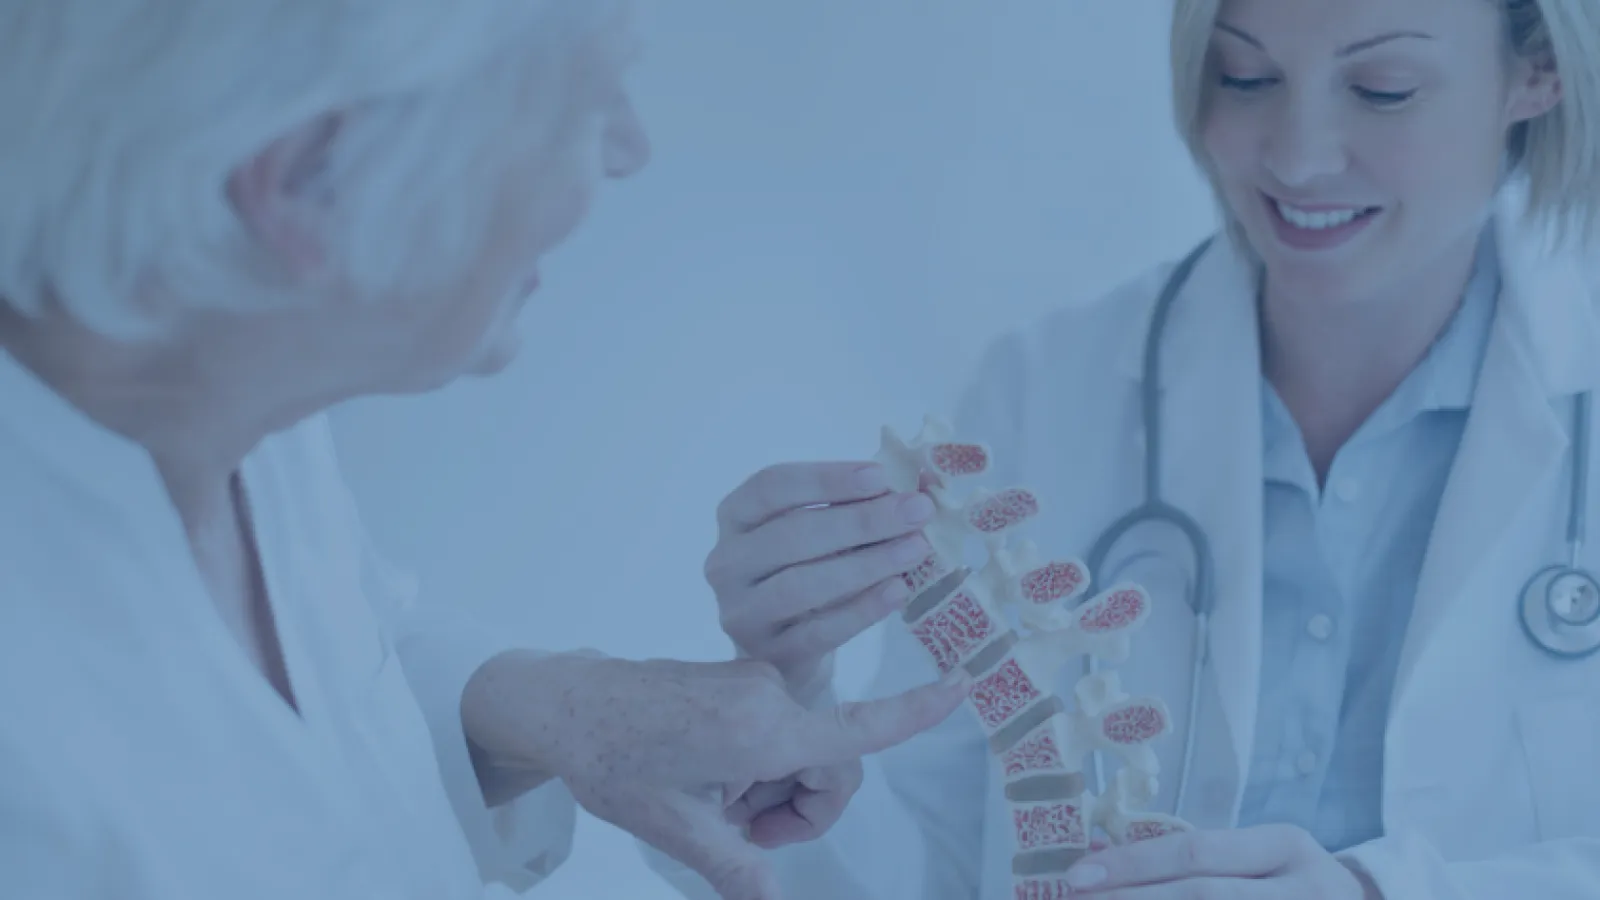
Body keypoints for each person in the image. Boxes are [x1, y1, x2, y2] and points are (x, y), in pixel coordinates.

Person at [0, 2, 971, 899]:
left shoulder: (223, 389)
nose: (629, 148)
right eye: (582, 108)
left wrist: (569, 710)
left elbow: (328, 690)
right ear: (304, 182)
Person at [643, 0, 1600, 897]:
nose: (1299, 159)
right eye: (1244, 77)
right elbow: (926, 860)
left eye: (1384, 88)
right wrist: (797, 715)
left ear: (1538, 72)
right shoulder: (1042, 392)